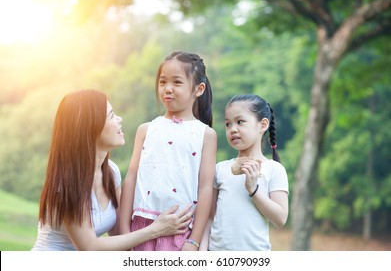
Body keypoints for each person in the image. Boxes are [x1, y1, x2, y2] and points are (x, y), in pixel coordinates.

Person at [32, 89, 193, 251]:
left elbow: (118, 235)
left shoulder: (110, 172)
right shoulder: (67, 184)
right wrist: (155, 230)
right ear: (89, 128)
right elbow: (89, 247)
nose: (119, 120)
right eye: (111, 116)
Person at [119, 51, 217, 251]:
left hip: (180, 231)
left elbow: (206, 188)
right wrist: (124, 233)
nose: (167, 89)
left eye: (177, 82)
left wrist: (194, 241)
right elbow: (131, 178)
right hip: (141, 228)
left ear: (198, 89)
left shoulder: (205, 134)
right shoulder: (146, 130)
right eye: (163, 82)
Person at [200, 94, 289, 251]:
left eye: (240, 122)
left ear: (263, 125)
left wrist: (253, 190)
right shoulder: (220, 169)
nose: (233, 129)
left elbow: (280, 218)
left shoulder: (274, 169)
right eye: (228, 124)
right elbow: (210, 216)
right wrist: (202, 251)